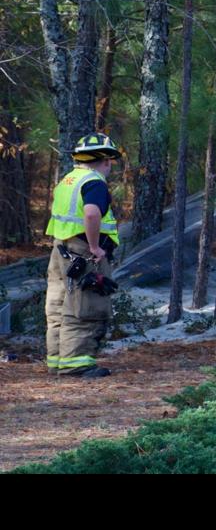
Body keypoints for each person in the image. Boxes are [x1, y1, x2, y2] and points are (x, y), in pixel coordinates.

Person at [43, 133, 125, 379]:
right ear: (106, 160)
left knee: (58, 305)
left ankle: (58, 360)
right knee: (86, 304)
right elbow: (91, 214)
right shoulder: (94, 183)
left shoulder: (68, 180)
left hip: (62, 250)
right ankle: (76, 364)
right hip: (84, 252)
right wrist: (95, 247)